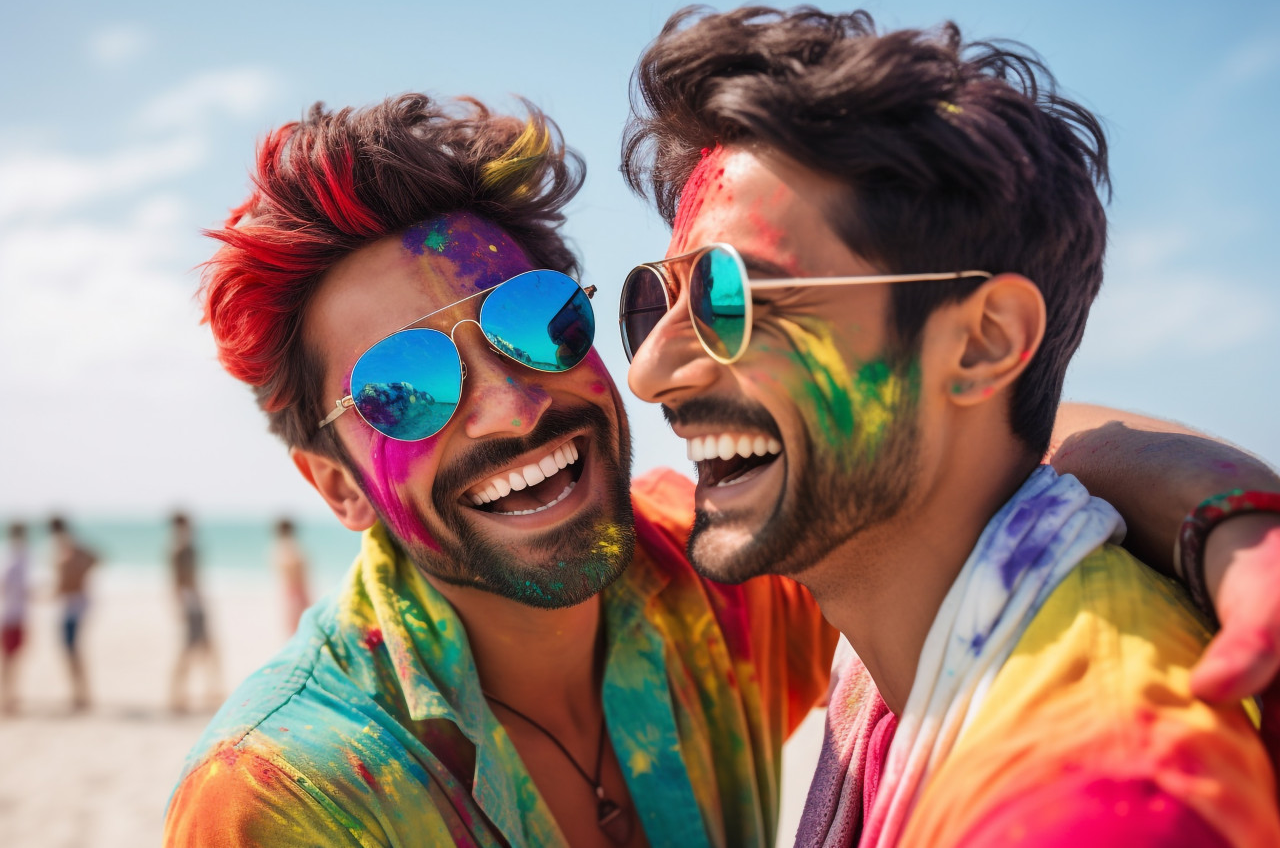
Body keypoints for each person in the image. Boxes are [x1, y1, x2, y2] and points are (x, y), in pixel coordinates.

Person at [165, 93, 1279, 848]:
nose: (510, 404)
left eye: (533, 321)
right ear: (342, 488)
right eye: (404, 388)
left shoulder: (709, 579)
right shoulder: (288, 795)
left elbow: (956, 439)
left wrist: (1227, 514)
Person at [620, 6, 1280, 846]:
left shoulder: (1100, 797)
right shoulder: (899, 606)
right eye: (655, 301)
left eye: (730, 297)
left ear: (982, 341)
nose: (647, 374)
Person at [169, 512, 221, 713]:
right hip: (191, 603)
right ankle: (177, 694)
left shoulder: (187, 549)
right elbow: (176, 581)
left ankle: (211, 689)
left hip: (196, 601)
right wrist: (180, 605)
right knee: (189, 648)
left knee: (208, 646)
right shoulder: (179, 549)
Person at [49, 516, 97, 712]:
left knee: (71, 650)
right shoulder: (73, 546)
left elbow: (65, 578)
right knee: (73, 650)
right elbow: (95, 558)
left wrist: (76, 580)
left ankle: (80, 695)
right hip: (76, 602)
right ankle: (80, 693)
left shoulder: (67, 547)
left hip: (73, 605)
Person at [2, 521, 30, 714]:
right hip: (12, 616)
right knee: (9, 660)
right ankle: (7, 698)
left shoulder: (16, 556)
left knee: (12, 659)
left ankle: (10, 696)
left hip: (14, 615)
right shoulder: (16, 558)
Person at [271, 517, 311, 635]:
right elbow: (300, 577)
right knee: (299, 628)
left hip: (286, 593)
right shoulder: (294, 549)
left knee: (292, 629)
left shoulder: (277, 548)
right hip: (295, 593)